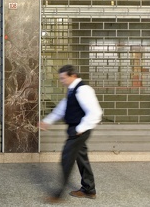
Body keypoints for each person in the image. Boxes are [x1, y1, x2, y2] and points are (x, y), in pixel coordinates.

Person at [38, 64, 102, 203]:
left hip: (79, 131)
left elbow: (96, 112)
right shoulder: (72, 90)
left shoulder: (83, 90)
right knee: (81, 158)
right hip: (77, 130)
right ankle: (89, 189)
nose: (61, 81)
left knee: (66, 161)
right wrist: (47, 121)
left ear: (73, 76)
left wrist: (80, 129)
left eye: (63, 78)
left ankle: (58, 195)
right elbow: (62, 108)